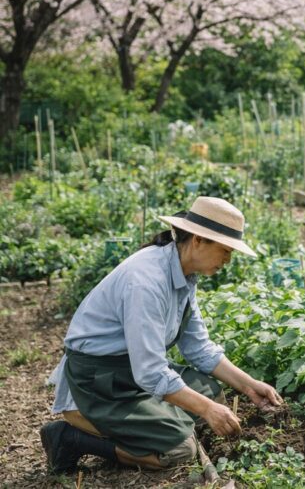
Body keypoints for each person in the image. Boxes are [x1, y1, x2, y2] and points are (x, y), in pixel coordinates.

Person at [40, 196, 283, 474]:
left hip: (128, 370)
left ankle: (160, 423)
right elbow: (151, 372)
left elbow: (199, 348)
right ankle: (70, 438)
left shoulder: (183, 273)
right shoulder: (146, 282)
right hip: (98, 381)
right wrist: (204, 410)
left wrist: (250, 386)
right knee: (180, 449)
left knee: (213, 393)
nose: (228, 260)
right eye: (225, 250)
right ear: (198, 240)